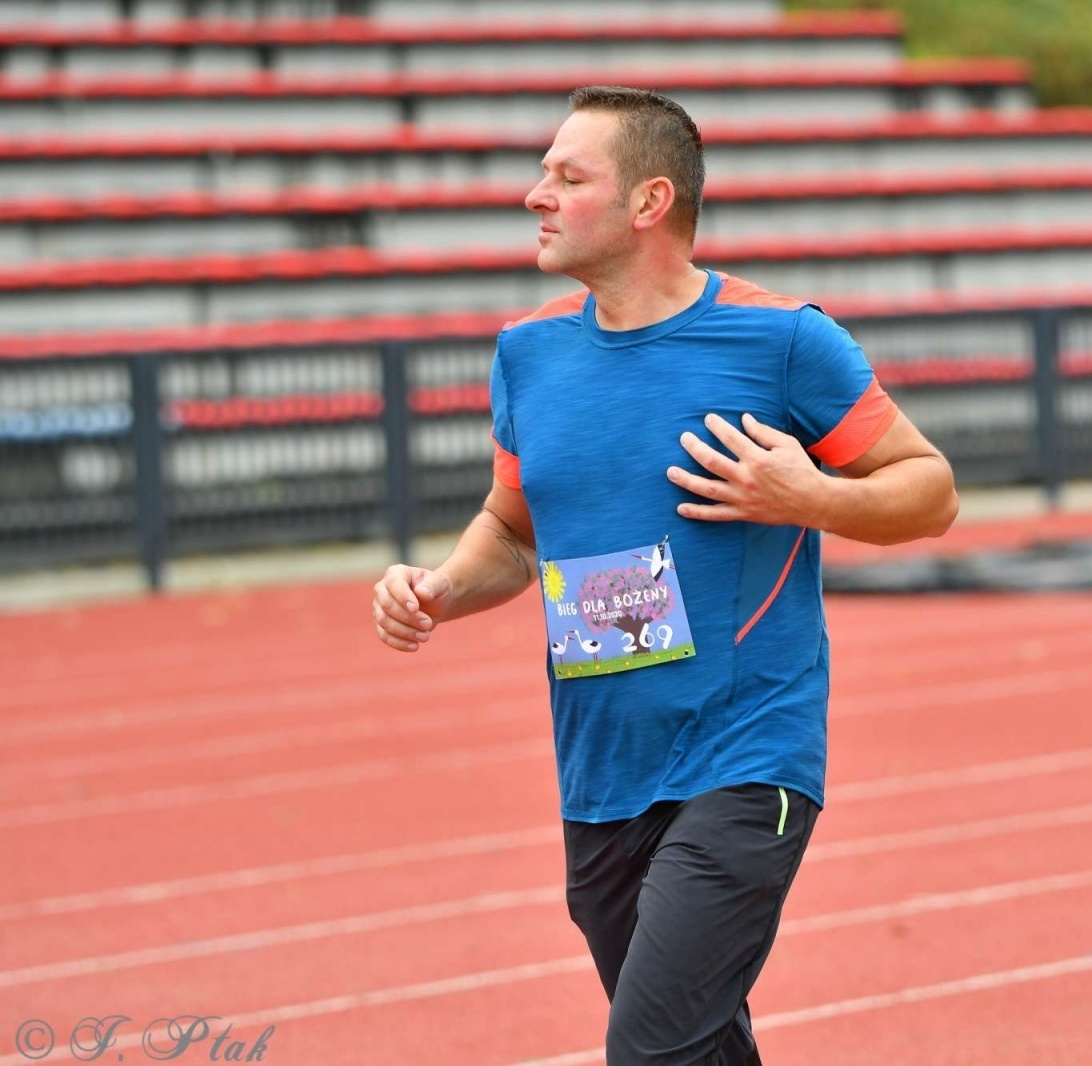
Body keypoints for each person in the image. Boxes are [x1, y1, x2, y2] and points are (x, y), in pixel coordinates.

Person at [370, 85, 958, 1064]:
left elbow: (928, 488)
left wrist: (808, 498)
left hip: (744, 753)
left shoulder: (782, 341)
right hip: (600, 767)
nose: (534, 195)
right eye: (541, 172)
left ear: (648, 203)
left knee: (648, 1050)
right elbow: (512, 535)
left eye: (567, 176)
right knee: (699, 1047)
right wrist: (439, 585)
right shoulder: (527, 356)